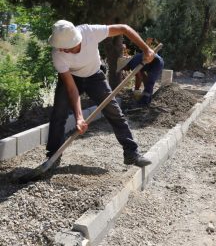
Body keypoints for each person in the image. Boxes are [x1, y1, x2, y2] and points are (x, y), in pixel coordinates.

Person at [47, 20, 154, 167]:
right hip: (72, 78)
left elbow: (124, 28)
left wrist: (146, 49)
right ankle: (53, 157)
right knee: (58, 115)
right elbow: (72, 89)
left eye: (66, 48)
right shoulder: (58, 54)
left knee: (114, 112)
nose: (63, 51)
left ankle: (131, 153)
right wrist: (79, 118)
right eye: (61, 48)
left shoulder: (90, 32)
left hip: (94, 77)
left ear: (76, 40)